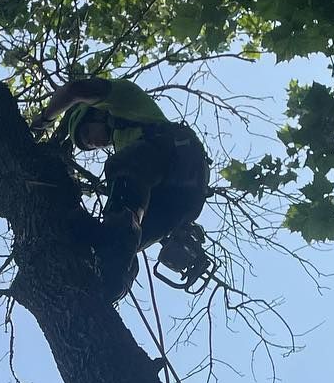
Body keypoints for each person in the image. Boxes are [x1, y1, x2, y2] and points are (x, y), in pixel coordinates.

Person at [32, 76, 210, 297]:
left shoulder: (123, 100)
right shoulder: (128, 145)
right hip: (180, 200)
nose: (92, 143)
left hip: (178, 155)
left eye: (87, 134)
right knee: (111, 242)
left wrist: (44, 119)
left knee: (121, 173)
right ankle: (111, 286)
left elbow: (75, 89)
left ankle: (116, 244)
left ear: (95, 112)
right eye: (87, 146)